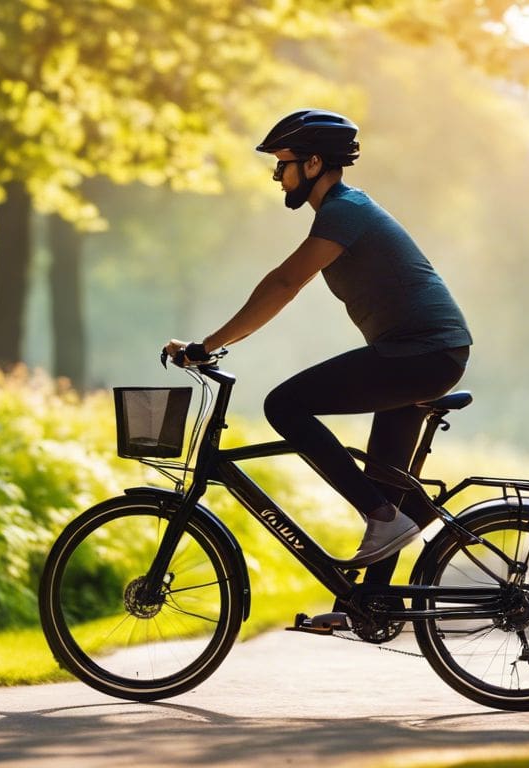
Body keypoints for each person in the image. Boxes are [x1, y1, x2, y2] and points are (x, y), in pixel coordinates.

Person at [165, 108, 472, 569]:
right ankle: (374, 603)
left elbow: (284, 285)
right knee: (387, 490)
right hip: (425, 355)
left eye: (282, 164)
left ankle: (384, 516)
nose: (277, 176)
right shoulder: (345, 210)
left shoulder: (344, 212)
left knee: (284, 405)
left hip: (421, 355)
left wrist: (205, 346)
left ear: (313, 165)